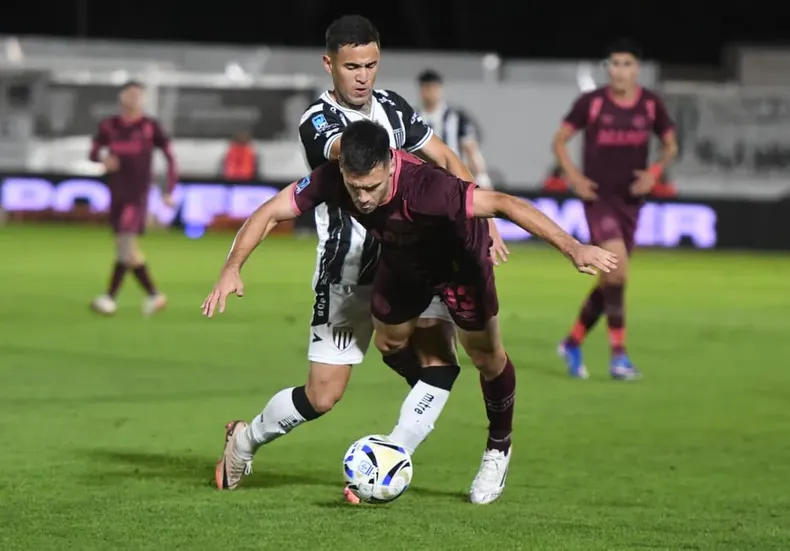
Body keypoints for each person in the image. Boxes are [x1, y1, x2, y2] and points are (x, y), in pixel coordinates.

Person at [202, 120, 618, 504]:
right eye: (354, 187)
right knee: (390, 341)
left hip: (460, 269)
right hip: (404, 265)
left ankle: (498, 447)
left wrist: (573, 248)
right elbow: (272, 210)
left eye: (372, 188)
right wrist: (231, 267)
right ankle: (409, 424)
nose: (362, 199)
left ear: (389, 164)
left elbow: (506, 204)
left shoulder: (428, 188)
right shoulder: (335, 179)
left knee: (486, 357)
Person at [207, 15, 509, 497]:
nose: (363, 76)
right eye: (352, 67)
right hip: (349, 270)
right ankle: (244, 440)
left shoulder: (392, 105)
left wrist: (483, 218)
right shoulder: (320, 121)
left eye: (371, 64)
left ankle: (382, 466)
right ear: (330, 65)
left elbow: (448, 161)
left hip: (413, 264)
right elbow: (355, 155)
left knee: (440, 364)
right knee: (323, 395)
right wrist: (232, 267)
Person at [552, 39, 677, 380]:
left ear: (637, 68)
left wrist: (654, 173)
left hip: (631, 201)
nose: (619, 70)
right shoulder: (592, 103)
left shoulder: (650, 105)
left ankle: (573, 341)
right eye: (614, 63)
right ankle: (619, 357)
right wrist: (574, 177)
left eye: (626, 64)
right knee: (618, 269)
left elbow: (670, 145)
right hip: (598, 198)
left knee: (612, 276)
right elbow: (560, 140)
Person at [89, 80, 178, 316]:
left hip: (137, 196)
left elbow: (170, 157)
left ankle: (109, 298)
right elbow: (93, 152)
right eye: (130, 94)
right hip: (116, 194)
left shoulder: (150, 127)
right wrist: (102, 161)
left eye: (138, 94)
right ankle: (154, 295)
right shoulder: (109, 126)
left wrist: (169, 190)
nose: (133, 98)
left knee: (126, 246)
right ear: (121, 97)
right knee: (127, 251)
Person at [417, 69, 492, 189]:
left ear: (440, 89)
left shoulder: (458, 118)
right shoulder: (414, 118)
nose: (430, 92)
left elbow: (470, 149)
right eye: (426, 88)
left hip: (455, 180)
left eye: (433, 88)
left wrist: (482, 177)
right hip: (425, 182)